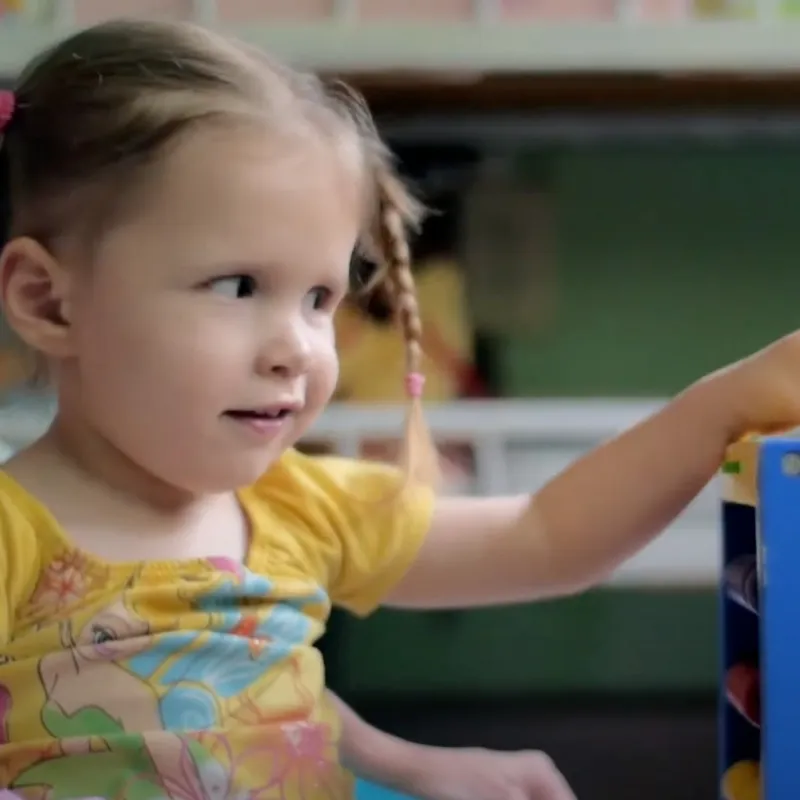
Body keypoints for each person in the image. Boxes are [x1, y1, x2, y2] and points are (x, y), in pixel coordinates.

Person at [0, 17, 797, 800]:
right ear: (50, 302)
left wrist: (722, 405)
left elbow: (543, 537)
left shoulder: (298, 508)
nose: (298, 348)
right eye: (239, 286)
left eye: (320, 298)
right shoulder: (15, 534)